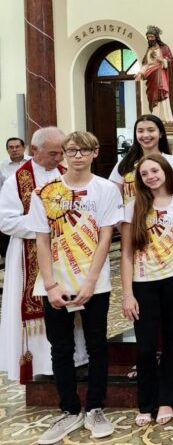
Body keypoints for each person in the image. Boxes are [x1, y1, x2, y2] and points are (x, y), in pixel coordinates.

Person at [27, 131, 123, 444]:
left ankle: (95, 406)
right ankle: (69, 410)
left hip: (94, 281)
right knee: (62, 348)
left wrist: (92, 281)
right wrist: (51, 285)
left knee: (97, 345)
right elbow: (41, 240)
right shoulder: (44, 192)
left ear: (95, 153)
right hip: (55, 283)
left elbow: (107, 236)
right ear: (64, 154)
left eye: (84, 150)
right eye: (71, 150)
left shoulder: (106, 189)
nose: (77, 155)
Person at [120, 154, 173, 427]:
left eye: (155, 170)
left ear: (165, 171)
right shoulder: (133, 207)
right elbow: (127, 253)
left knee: (172, 343)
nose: (151, 176)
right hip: (144, 284)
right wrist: (127, 294)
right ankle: (146, 402)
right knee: (145, 346)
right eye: (145, 174)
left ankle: (166, 399)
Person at [0, 128, 84, 385]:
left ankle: (77, 358)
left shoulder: (66, 175)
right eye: (53, 153)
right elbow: (6, 221)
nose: (59, 158)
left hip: (67, 252)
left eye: (62, 152)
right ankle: (41, 362)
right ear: (34, 151)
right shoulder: (17, 179)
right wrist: (44, 227)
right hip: (29, 253)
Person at [110, 114, 173, 205]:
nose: (145, 135)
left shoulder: (172, 161)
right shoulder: (125, 162)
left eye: (151, 130)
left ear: (161, 133)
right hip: (132, 217)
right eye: (140, 131)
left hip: (163, 217)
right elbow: (115, 196)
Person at [134, 26, 173, 122]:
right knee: (153, 96)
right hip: (151, 76)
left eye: (151, 37)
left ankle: (168, 119)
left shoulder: (164, 48)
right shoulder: (148, 50)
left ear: (156, 37)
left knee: (163, 93)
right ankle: (155, 119)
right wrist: (140, 73)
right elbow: (146, 64)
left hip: (161, 74)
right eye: (148, 37)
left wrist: (162, 60)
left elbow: (171, 60)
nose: (149, 39)